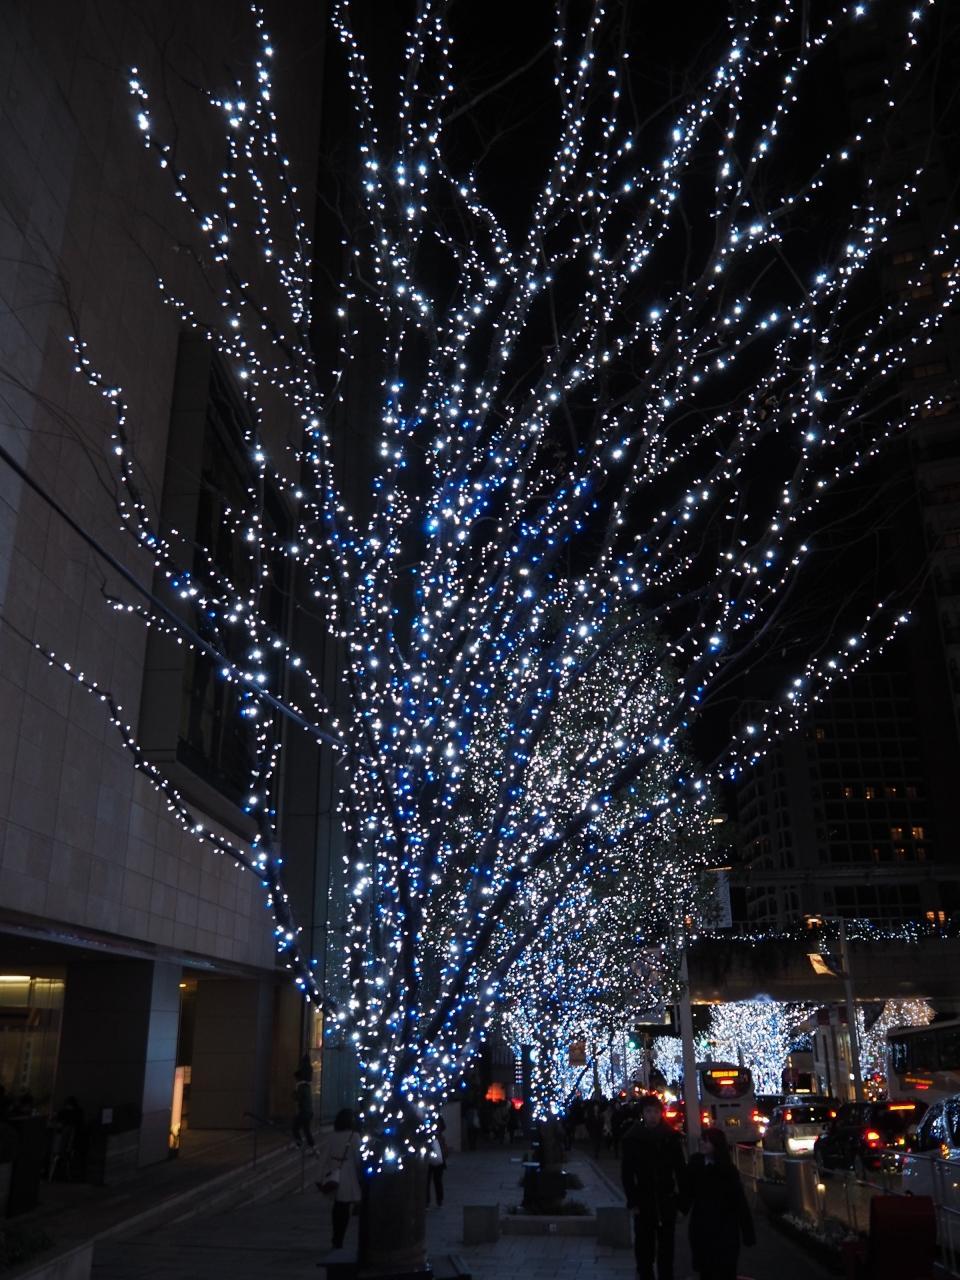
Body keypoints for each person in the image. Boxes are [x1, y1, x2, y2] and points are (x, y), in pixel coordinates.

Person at [621, 1094, 686, 1280]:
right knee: (644, 1250)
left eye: (656, 1112)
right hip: (643, 1201)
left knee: (667, 1250)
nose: (653, 1116)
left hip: (666, 1200)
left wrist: (682, 1203)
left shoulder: (670, 1137)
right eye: (649, 1112)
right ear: (642, 1113)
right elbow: (627, 1173)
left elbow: (680, 1170)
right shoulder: (632, 1138)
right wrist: (632, 1201)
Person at [681, 1128, 755, 1280]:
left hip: (724, 1227)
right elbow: (687, 1192)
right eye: (702, 1140)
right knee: (706, 1269)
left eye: (707, 1141)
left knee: (724, 1268)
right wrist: (679, 1209)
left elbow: (739, 1201)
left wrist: (747, 1231)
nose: (702, 1143)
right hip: (702, 1225)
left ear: (717, 1144)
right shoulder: (696, 1164)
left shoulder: (727, 1169)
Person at [317, 1108, 363, 1251]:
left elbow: (324, 1157)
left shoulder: (332, 1136)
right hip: (348, 1174)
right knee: (344, 1207)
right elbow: (358, 1159)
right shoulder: (354, 1136)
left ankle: (336, 1238)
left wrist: (319, 1177)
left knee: (338, 1206)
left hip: (335, 1172)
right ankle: (339, 1238)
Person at [291, 1055, 316, 1153]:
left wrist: (294, 1093)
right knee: (306, 1129)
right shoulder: (306, 1086)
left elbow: (298, 1098)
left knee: (295, 1127)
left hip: (304, 1111)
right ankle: (312, 1146)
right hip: (308, 1111)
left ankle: (300, 1143)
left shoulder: (301, 1086)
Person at [426, 1114, 448, 1207]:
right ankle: (437, 1200)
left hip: (433, 1149)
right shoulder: (436, 1117)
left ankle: (431, 1201)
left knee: (432, 1179)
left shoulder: (431, 1116)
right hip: (436, 1149)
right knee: (435, 1179)